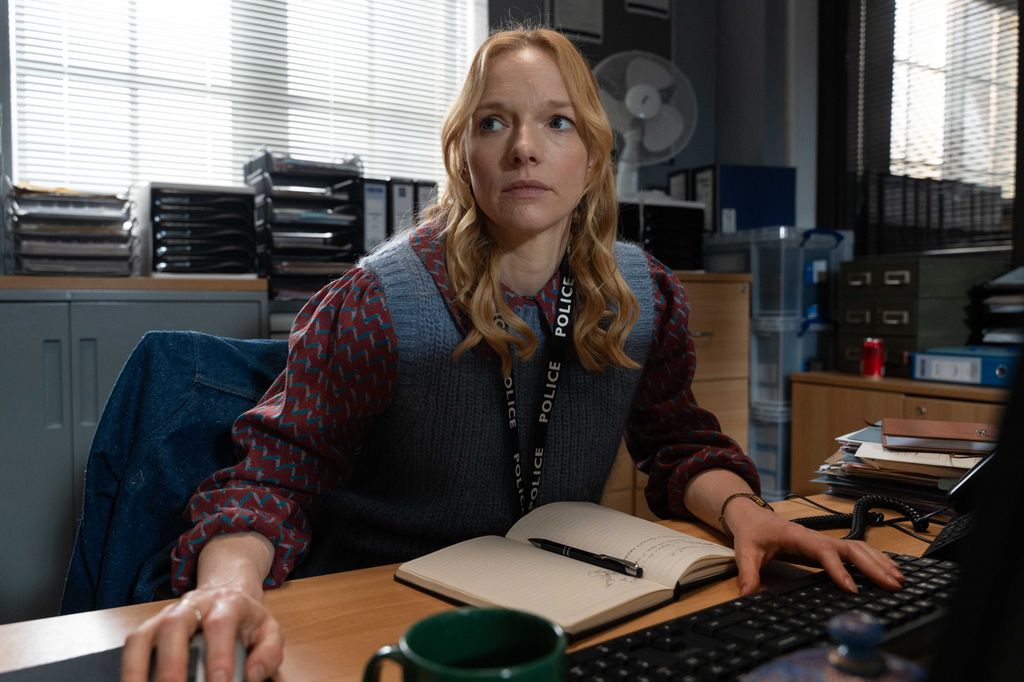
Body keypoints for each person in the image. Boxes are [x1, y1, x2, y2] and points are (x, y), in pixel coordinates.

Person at [122, 25, 905, 682]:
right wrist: (224, 590)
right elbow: (270, 483)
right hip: (387, 608)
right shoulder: (373, 303)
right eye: (494, 122)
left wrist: (746, 513)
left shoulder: (647, 297)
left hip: (560, 602)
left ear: (593, 158)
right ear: (463, 155)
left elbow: (680, 445)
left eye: (558, 122)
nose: (525, 148)